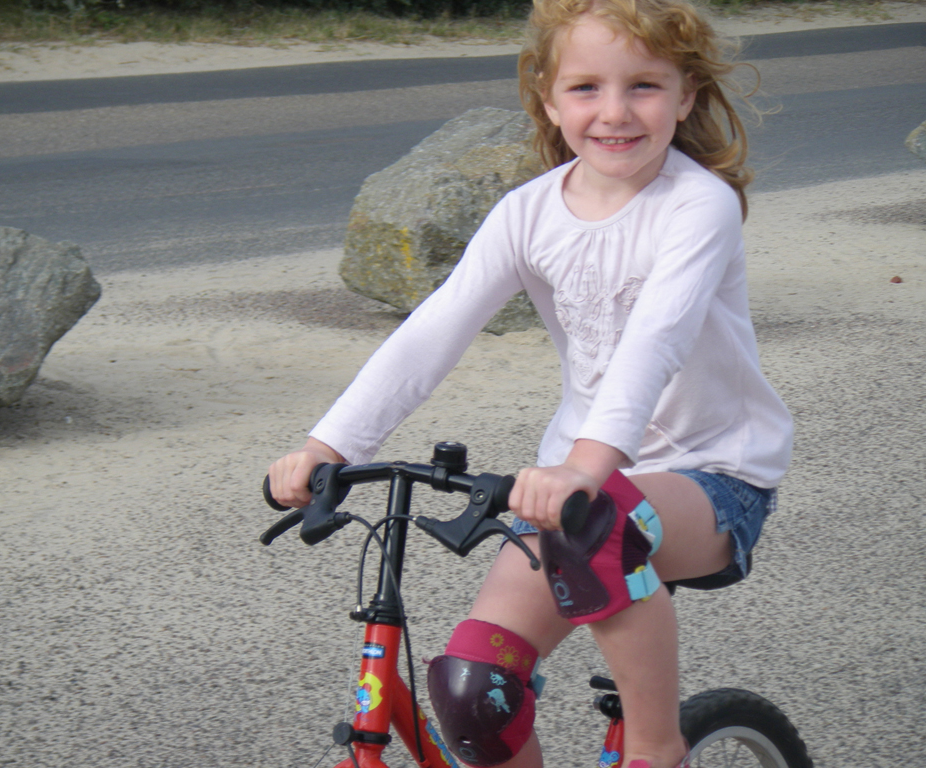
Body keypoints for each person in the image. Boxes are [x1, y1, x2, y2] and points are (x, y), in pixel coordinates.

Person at [268, 0, 793, 765]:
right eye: (585, 88)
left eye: (644, 86)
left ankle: (656, 748)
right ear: (548, 100)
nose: (614, 111)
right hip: (576, 491)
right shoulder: (528, 213)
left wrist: (584, 468)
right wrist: (329, 446)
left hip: (714, 478)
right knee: (474, 690)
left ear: (686, 96)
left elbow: (655, 342)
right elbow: (429, 334)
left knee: (600, 523)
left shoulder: (698, 206)